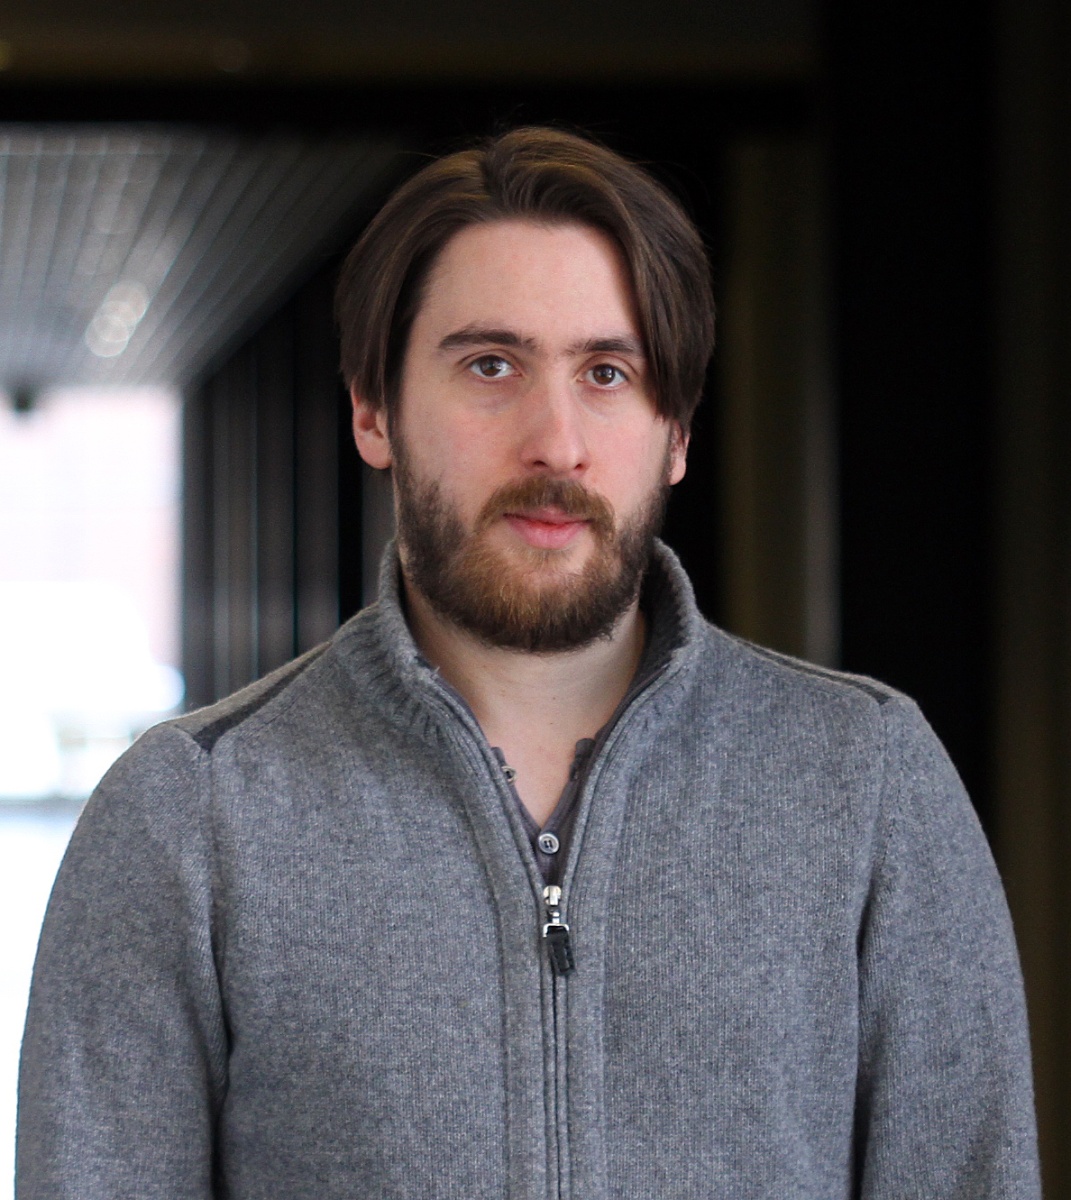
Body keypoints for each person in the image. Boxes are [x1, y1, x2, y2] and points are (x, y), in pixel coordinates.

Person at [17, 127, 1039, 1199]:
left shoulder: (869, 786)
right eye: (490, 366)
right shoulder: (190, 819)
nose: (556, 441)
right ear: (374, 410)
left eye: (609, 371)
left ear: (676, 432)